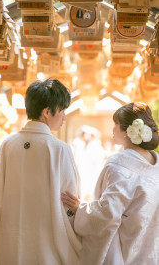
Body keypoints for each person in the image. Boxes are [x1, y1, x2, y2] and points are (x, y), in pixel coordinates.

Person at [0, 78, 81, 265]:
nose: (64, 116)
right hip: (48, 241)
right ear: (47, 112)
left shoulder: (8, 144)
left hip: (11, 238)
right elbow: (70, 201)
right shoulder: (59, 149)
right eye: (62, 110)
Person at [61, 102, 159, 265]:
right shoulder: (156, 162)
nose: (113, 129)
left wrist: (82, 209)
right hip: (152, 251)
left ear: (128, 132)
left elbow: (108, 213)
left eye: (116, 124)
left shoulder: (119, 163)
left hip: (125, 252)